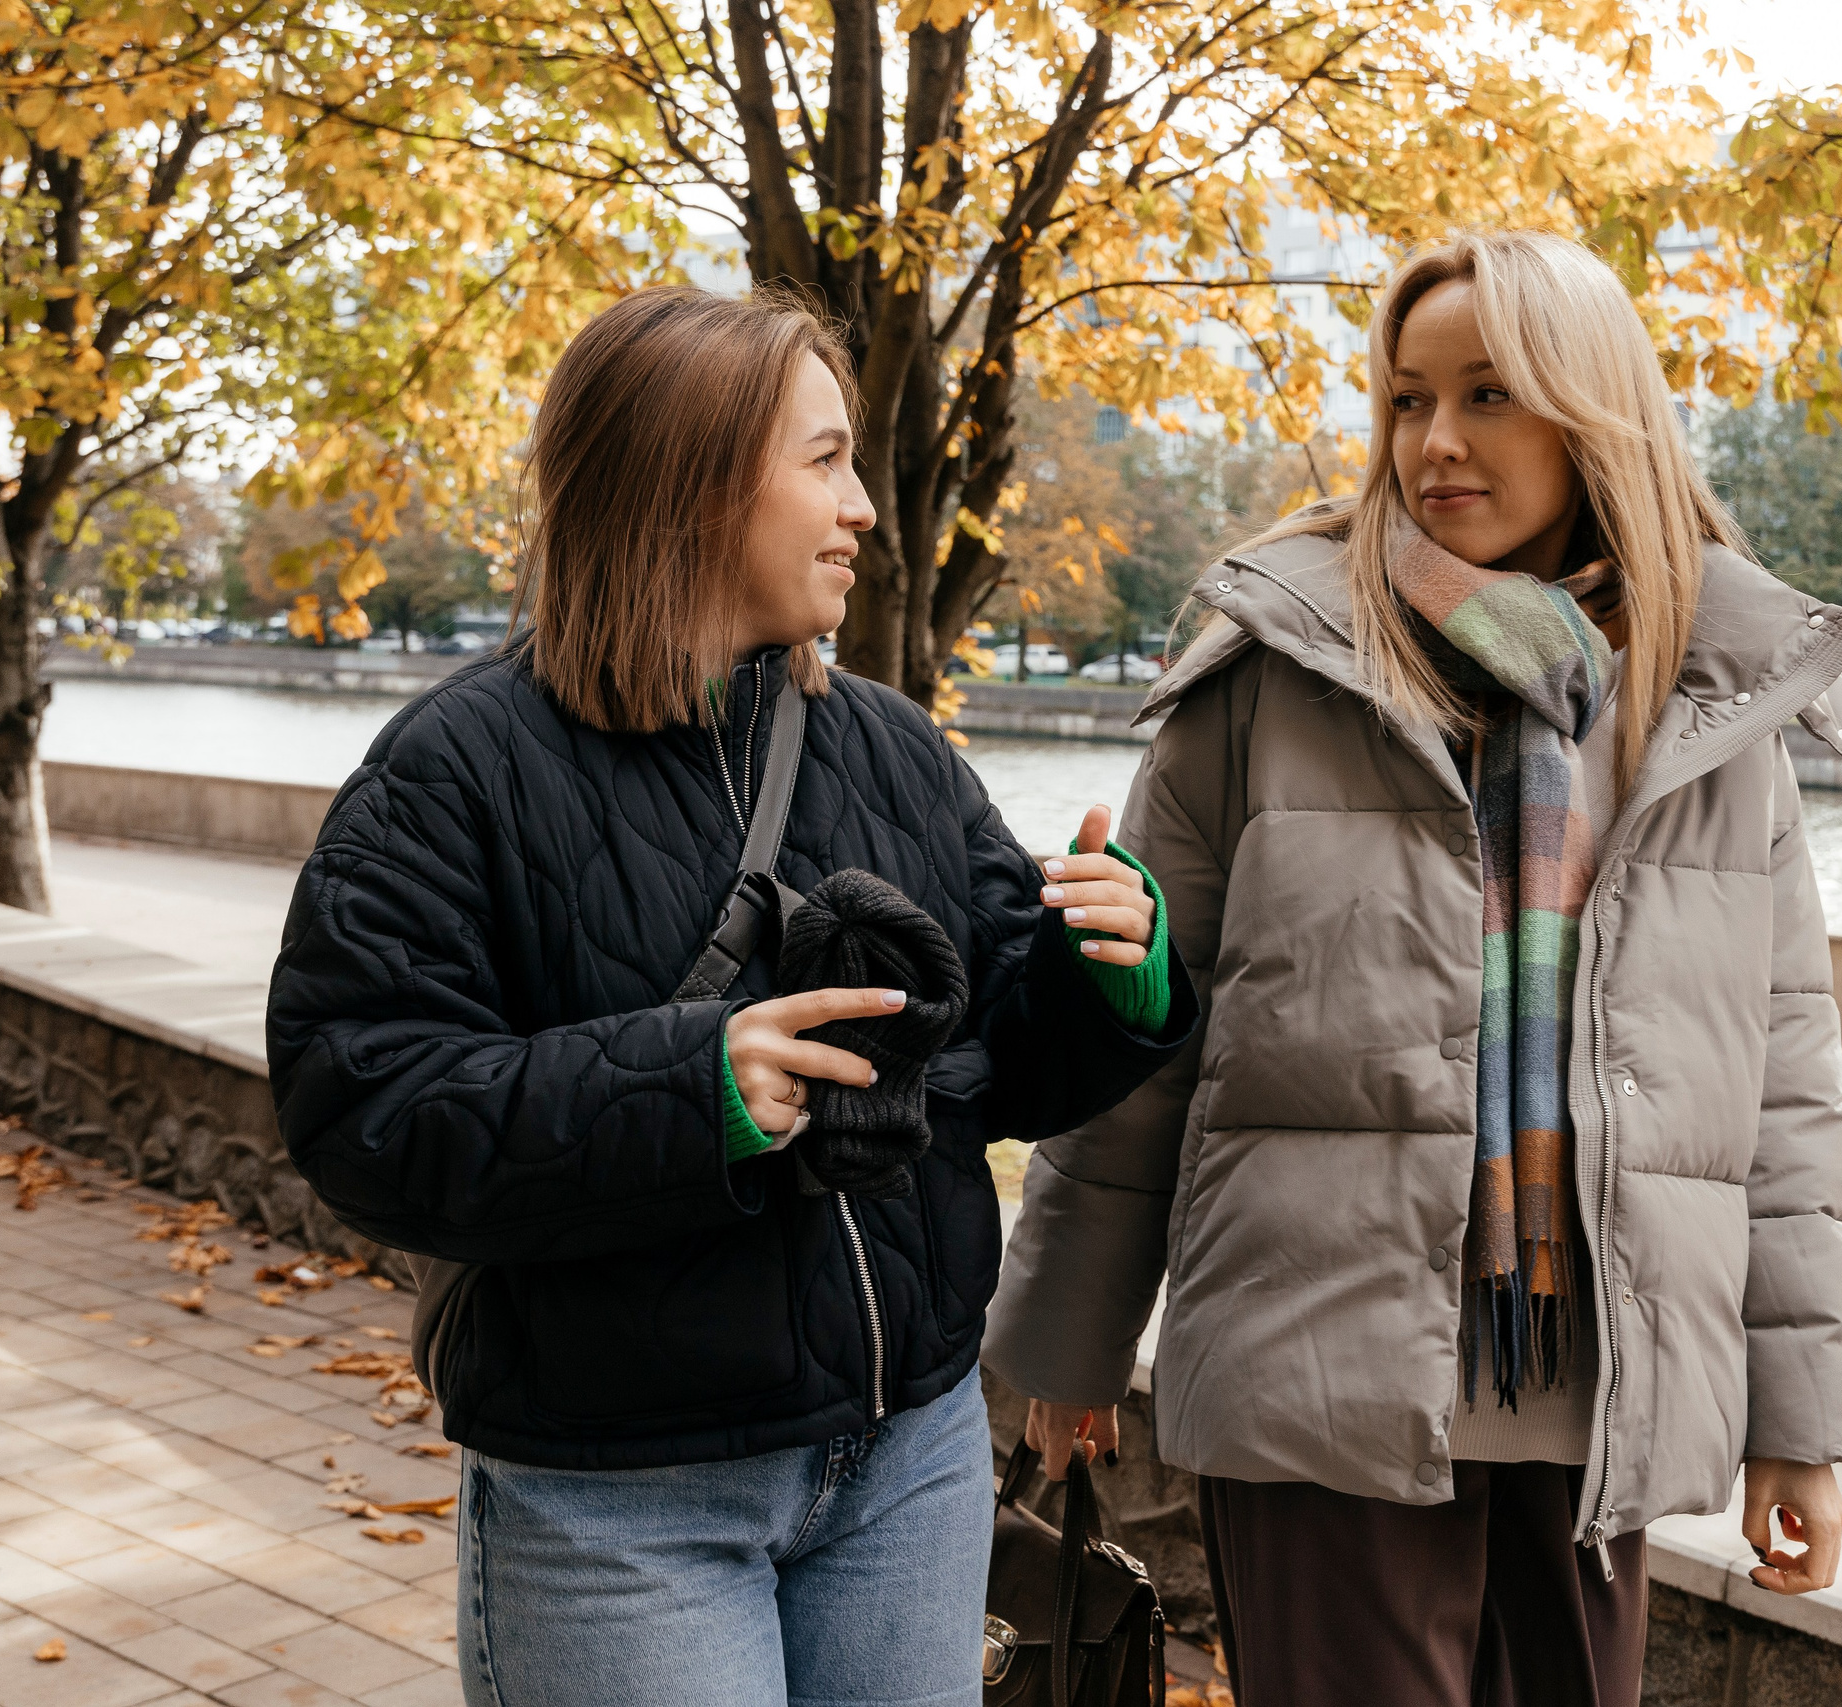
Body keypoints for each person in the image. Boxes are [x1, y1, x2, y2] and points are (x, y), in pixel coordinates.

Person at [983, 231, 1842, 1706]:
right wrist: (1073, 1342)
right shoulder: (1271, 666)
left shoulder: (1710, 705)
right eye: (1408, 401)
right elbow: (1146, 1037)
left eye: (1487, 397)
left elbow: (1779, 1104)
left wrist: (1803, 1421)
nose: (1436, 443)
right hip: (1316, 1379)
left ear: (1592, 415)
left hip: (1602, 1398)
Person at [263, 285, 1194, 1707]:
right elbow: (364, 1110)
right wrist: (693, 1090)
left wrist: (1104, 975)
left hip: (911, 1457)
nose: (867, 507)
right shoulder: (455, 769)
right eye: (823, 461)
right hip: (623, 1502)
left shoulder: (889, 745)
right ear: (692, 485)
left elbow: (998, 1066)